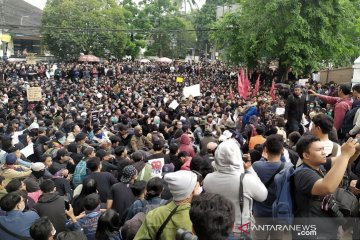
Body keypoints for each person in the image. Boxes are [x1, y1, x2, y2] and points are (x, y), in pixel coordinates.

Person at [294, 134, 358, 238]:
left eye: (323, 148)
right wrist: (345, 154)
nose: (324, 152)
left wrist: (355, 151)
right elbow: (327, 187)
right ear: (306, 155)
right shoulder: (302, 174)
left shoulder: (319, 164)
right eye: (319, 150)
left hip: (324, 228)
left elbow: (343, 162)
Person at [203, 139, 267, 239]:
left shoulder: (208, 179)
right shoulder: (247, 180)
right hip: (242, 227)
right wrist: (249, 169)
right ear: (237, 156)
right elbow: (263, 195)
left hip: (218, 226)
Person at [134, 170, 200, 240]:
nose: (199, 187)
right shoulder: (197, 219)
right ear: (190, 193)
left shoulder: (154, 215)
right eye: (196, 185)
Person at [252, 134, 293, 239]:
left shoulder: (256, 166)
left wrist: (262, 157)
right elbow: (283, 164)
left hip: (260, 212)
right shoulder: (289, 168)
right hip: (278, 213)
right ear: (282, 150)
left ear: (265, 149)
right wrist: (282, 155)